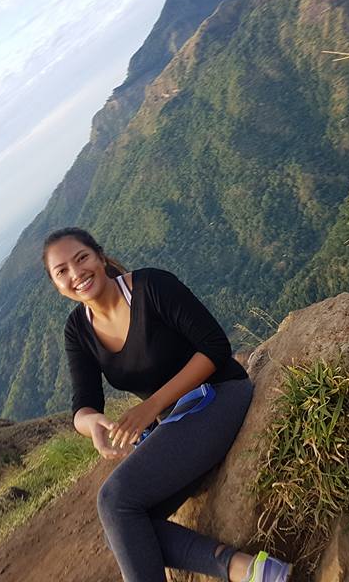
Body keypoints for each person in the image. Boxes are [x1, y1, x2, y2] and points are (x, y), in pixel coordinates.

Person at [43, 227, 292, 582]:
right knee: (123, 528)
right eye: (62, 271)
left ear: (99, 256)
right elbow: (83, 403)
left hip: (219, 396)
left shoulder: (151, 287)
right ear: (56, 285)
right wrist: (92, 423)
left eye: (81, 258)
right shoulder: (78, 329)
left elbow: (214, 347)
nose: (76, 273)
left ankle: (248, 571)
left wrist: (151, 406)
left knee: (115, 501)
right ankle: (251, 570)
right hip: (177, 423)